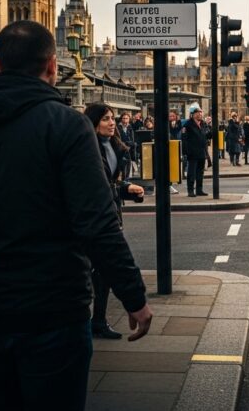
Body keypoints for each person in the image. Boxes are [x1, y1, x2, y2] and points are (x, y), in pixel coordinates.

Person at [0, 21, 152, 410]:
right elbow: (97, 223)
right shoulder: (66, 124)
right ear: (51, 66)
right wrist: (134, 296)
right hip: (53, 305)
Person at [84, 103, 145, 340]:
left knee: (103, 273)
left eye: (112, 118)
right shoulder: (88, 147)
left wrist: (129, 188)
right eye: (106, 119)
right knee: (89, 271)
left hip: (111, 214)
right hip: (94, 218)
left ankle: (98, 320)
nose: (112, 122)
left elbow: (110, 182)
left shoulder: (115, 146)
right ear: (94, 122)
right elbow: (96, 184)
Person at [182, 107, 210, 197]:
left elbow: (206, 135)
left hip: (202, 151)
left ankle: (199, 190)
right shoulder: (188, 124)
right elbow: (184, 139)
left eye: (201, 113)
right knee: (191, 173)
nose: (200, 114)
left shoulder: (203, 124)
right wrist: (186, 152)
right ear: (193, 114)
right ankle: (190, 190)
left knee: (200, 172)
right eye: (198, 113)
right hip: (192, 152)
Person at [117, 112, 136, 177]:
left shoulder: (130, 127)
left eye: (126, 118)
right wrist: (125, 144)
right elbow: (117, 140)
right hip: (121, 151)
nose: (125, 120)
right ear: (121, 119)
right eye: (124, 118)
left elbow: (132, 141)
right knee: (121, 170)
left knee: (128, 170)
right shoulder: (118, 127)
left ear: (129, 119)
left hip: (129, 151)